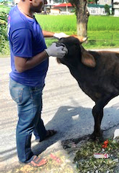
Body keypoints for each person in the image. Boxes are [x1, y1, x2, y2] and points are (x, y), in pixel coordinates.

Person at [7, 0, 68, 167]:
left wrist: (55, 34)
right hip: (26, 85)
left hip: (31, 84)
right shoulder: (21, 27)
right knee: (26, 122)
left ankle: (41, 133)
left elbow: (35, 32)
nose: (46, 2)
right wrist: (48, 52)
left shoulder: (22, 13)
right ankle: (25, 156)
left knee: (35, 111)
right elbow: (21, 66)